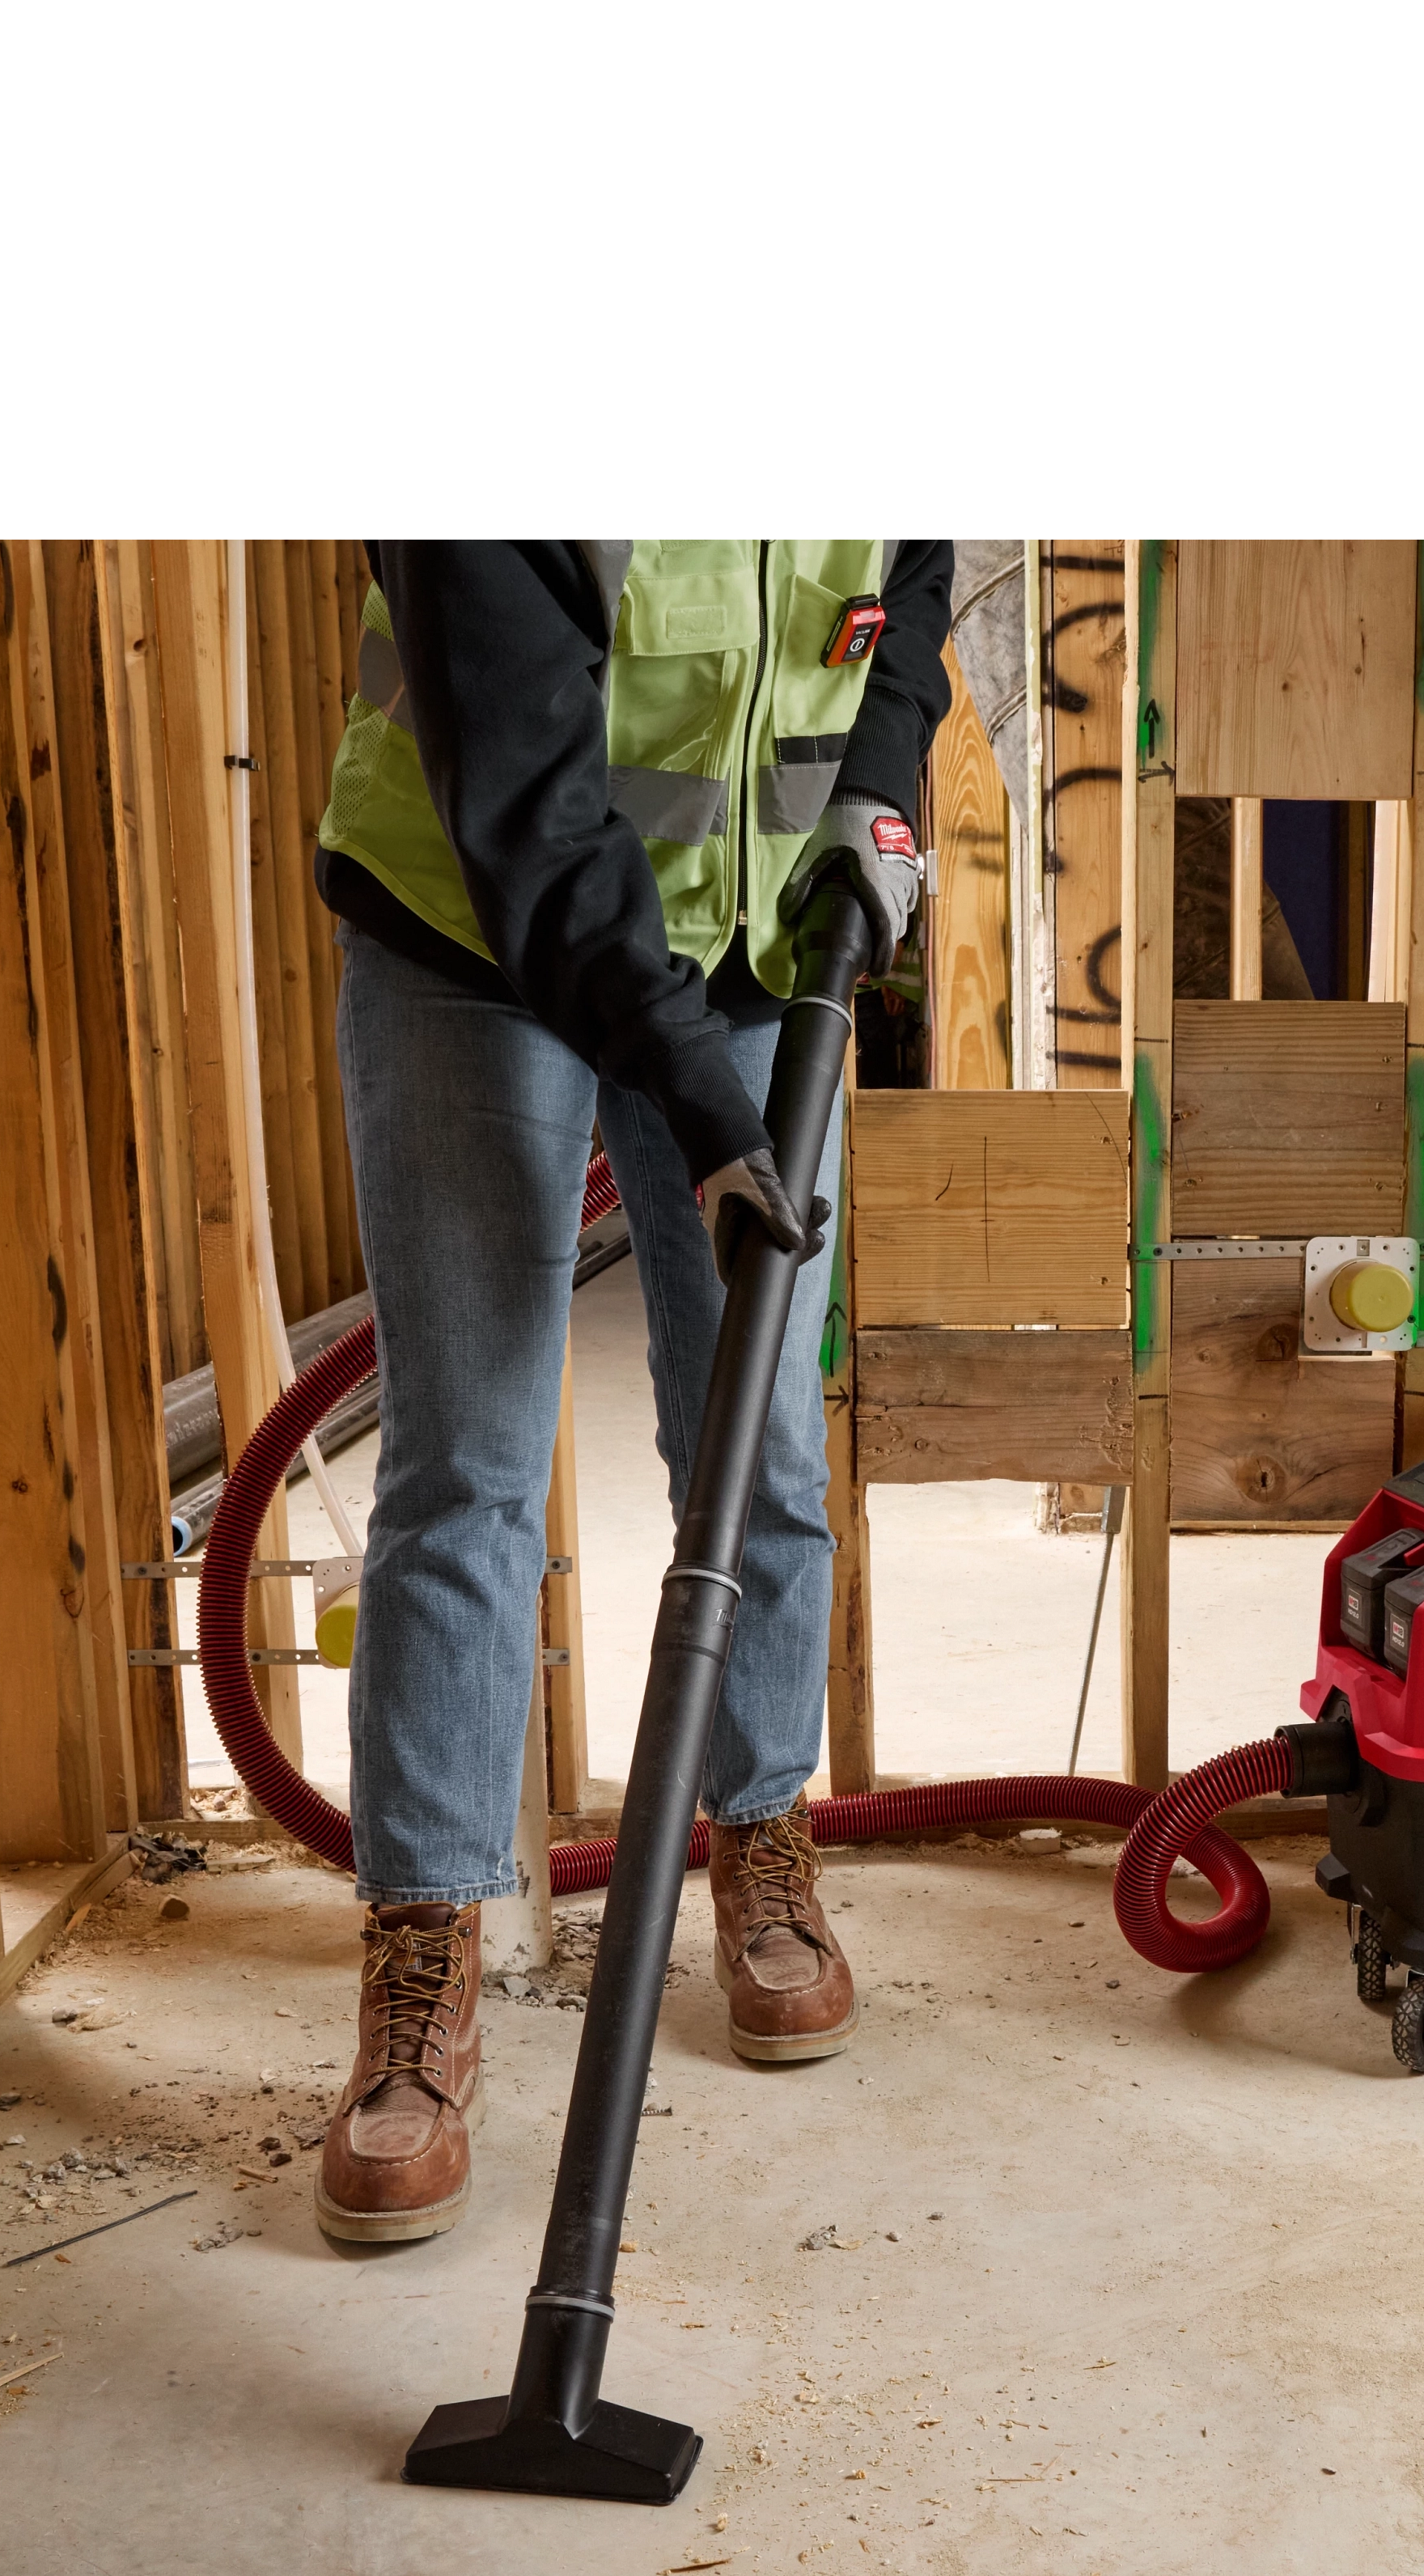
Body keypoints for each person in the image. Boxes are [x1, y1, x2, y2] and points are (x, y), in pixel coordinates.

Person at [303, 538, 952, 2244]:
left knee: (762, 1439)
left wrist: (874, 808)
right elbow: (527, 799)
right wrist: (701, 1109)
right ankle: (424, 1944)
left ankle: (756, 1830)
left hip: (741, 950)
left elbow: (896, 645)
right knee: (468, 1462)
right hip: (473, 935)